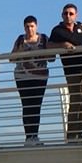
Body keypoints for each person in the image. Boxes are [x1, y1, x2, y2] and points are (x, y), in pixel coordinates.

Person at [51, 3, 82, 140]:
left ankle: (79, 133)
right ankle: (72, 134)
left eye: (71, 13)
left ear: (76, 15)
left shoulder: (80, 28)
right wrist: (62, 45)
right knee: (76, 101)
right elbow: (49, 45)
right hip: (72, 71)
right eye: (65, 13)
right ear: (62, 15)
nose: (68, 16)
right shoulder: (58, 30)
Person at [11, 16, 51, 145]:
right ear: (24, 28)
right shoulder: (20, 40)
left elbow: (52, 57)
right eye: (27, 27)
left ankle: (35, 135)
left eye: (32, 26)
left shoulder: (44, 39)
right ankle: (29, 136)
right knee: (26, 105)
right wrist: (20, 51)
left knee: (36, 105)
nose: (30, 29)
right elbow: (12, 58)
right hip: (22, 77)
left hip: (40, 77)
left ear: (36, 26)